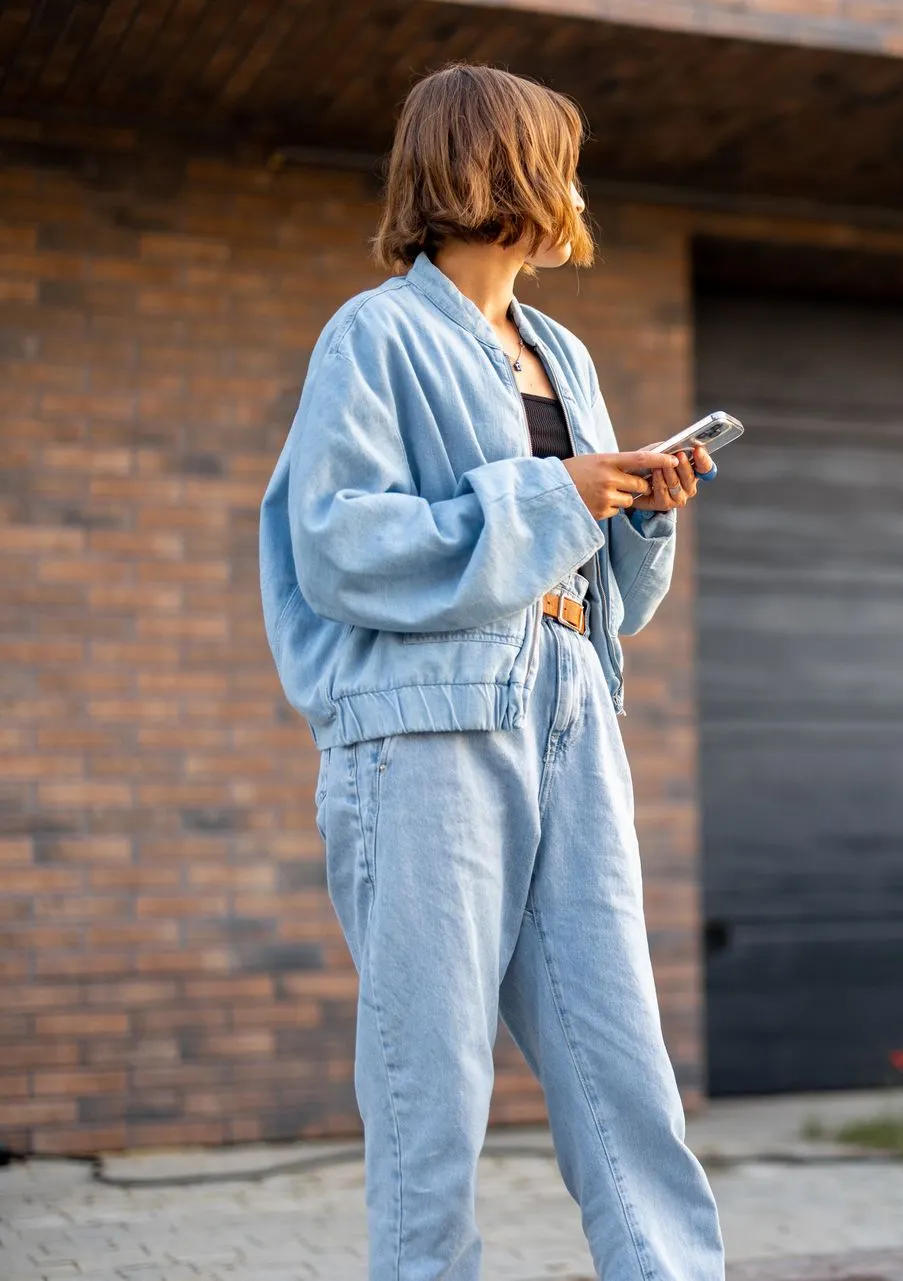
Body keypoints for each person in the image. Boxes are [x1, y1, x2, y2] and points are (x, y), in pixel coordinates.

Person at [258, 63, 725, 1281]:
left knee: (620, 1058)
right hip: (428, 733)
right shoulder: (375, 336)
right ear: (503, 168)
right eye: (557, 158)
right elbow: (339, 542)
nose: (574, 185)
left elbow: (608, 598)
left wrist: (636, 508)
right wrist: (551, 494)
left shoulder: (561, 353)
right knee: (432, 1078)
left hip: (572, 710)